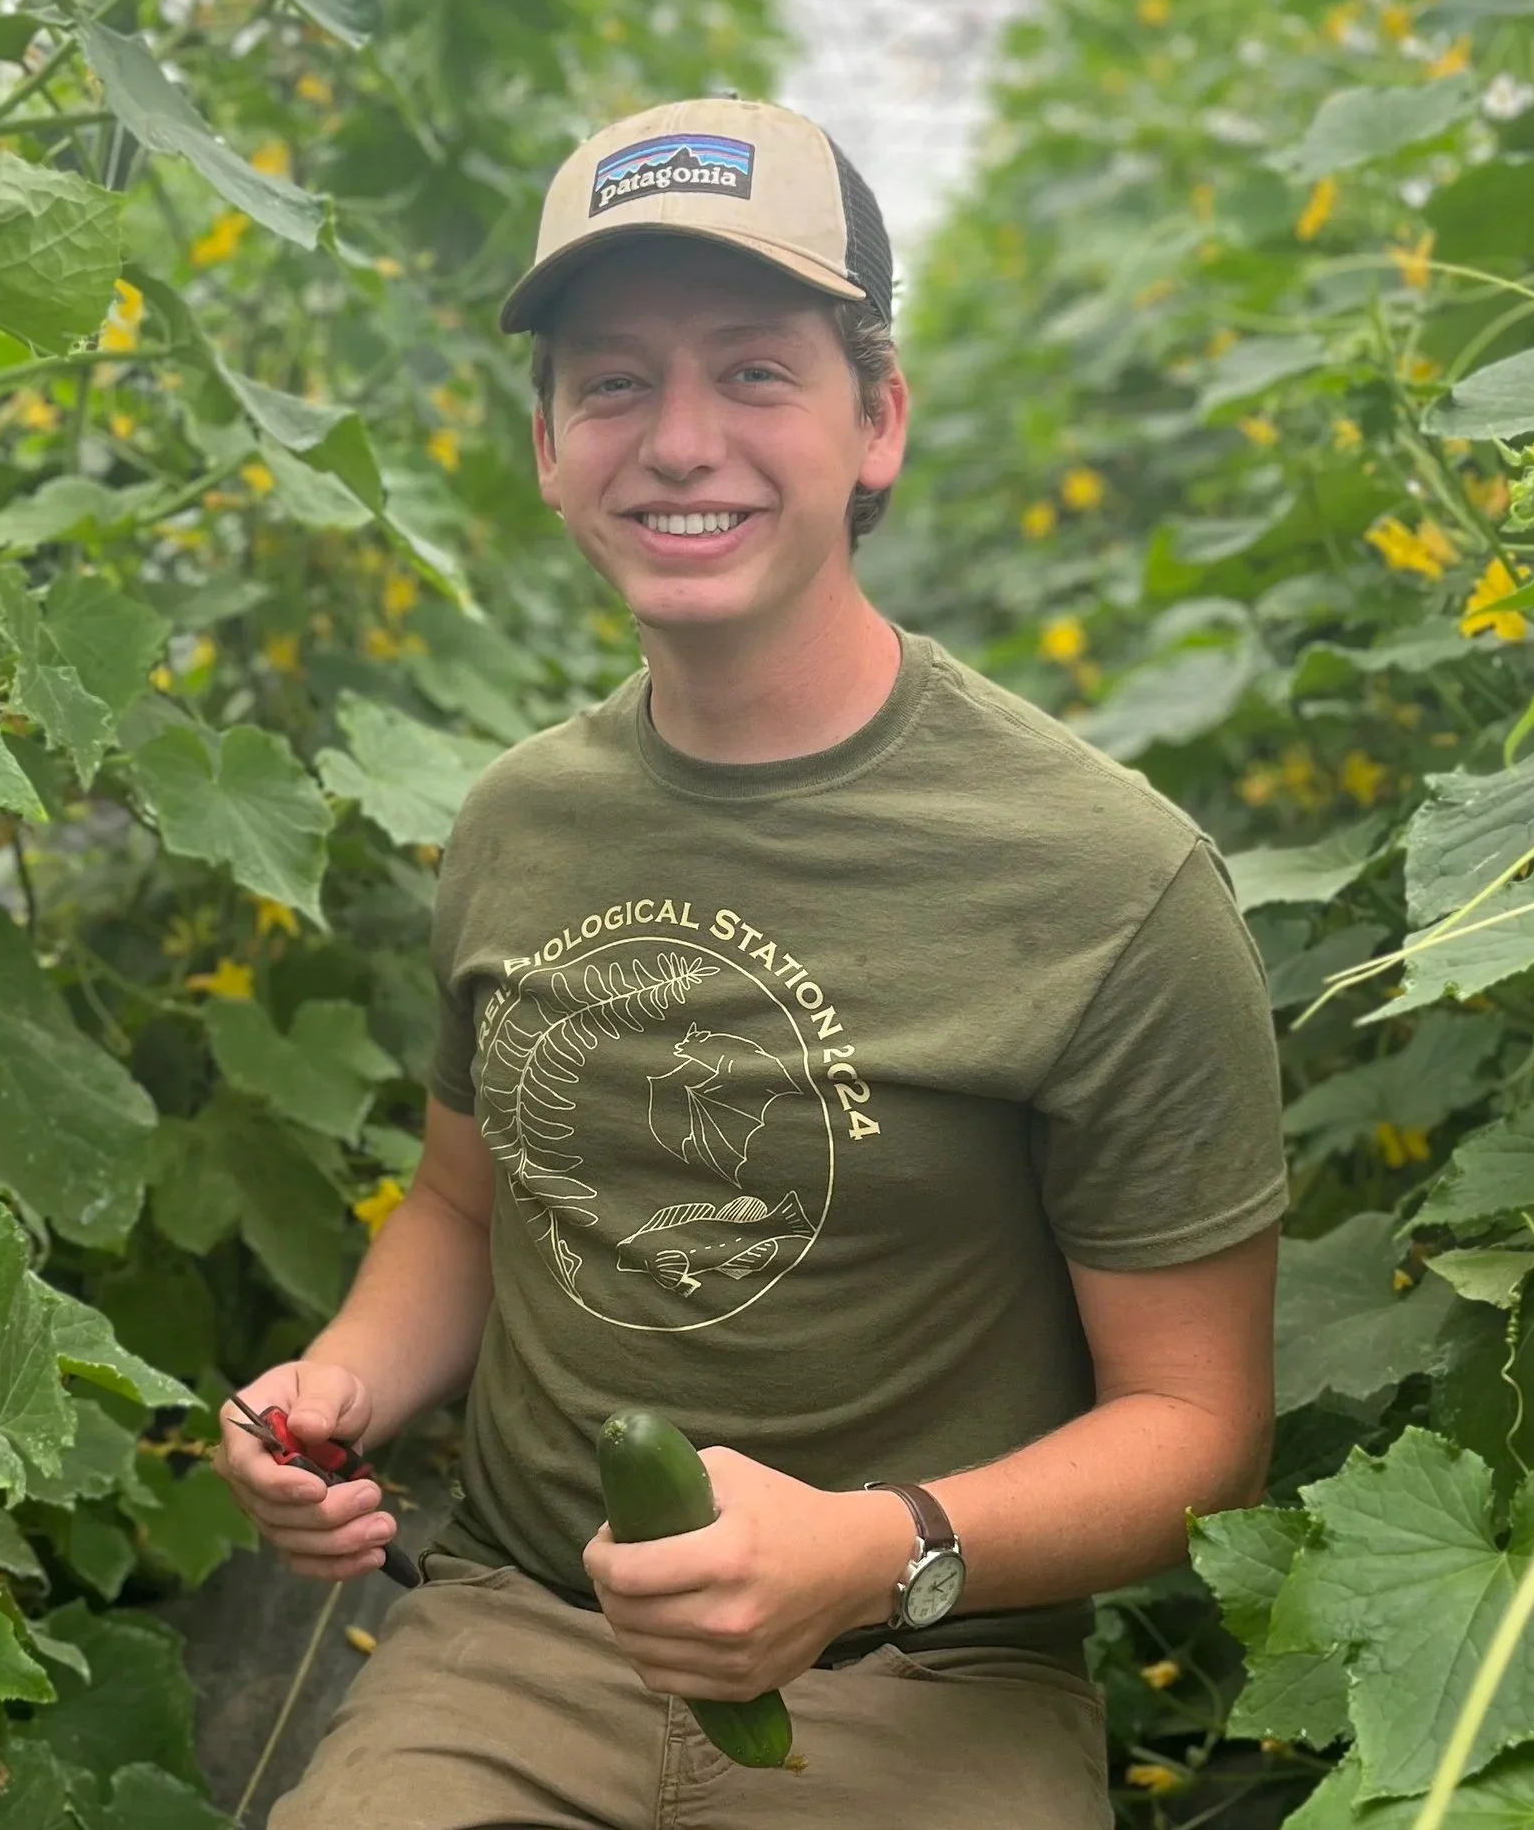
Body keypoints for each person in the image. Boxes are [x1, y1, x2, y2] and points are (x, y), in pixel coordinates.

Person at [226, 97, 1286, 1830]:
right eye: (615, 383)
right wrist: (336, 1383)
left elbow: (1196, 1429)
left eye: (754, 373)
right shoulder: (518, 824)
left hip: (924, 1673)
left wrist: (873, 1554)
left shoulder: (1106, 881)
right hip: (516, 1636)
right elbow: (467, 1215)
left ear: (877, 422)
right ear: (553, 448)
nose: (678, 441)